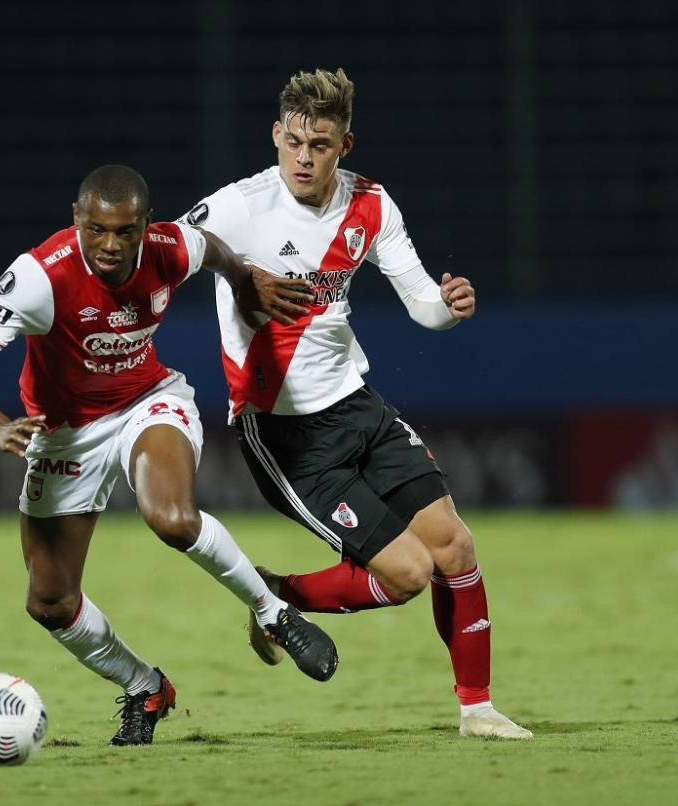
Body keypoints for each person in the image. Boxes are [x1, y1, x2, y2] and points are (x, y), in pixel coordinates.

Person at [0, 164, 338, 747]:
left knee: (169, 517)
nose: (111, 245)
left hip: (149, 401)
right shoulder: (40, 276)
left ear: (146, 225)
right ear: (77, 220)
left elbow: (212, 249)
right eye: (97, 230)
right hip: (64, 434)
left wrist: (245, 278)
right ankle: (145, 687)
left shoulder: (169, 247)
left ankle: (275, 614)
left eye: (125, 232)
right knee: (49, 601)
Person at [182, 69, 532, 739]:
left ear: (346, 143)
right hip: (286, 435)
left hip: (358, 408)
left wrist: (449, 308)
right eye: (293, 142)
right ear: (276, 136)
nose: (304, 158)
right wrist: (230, 274)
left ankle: (477, 710)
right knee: (406, 575)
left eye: (320, 143)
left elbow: (422, 302)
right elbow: (166, 252)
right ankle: (276, 599)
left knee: (455, 548)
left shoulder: (370, 204)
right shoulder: (240, 207)